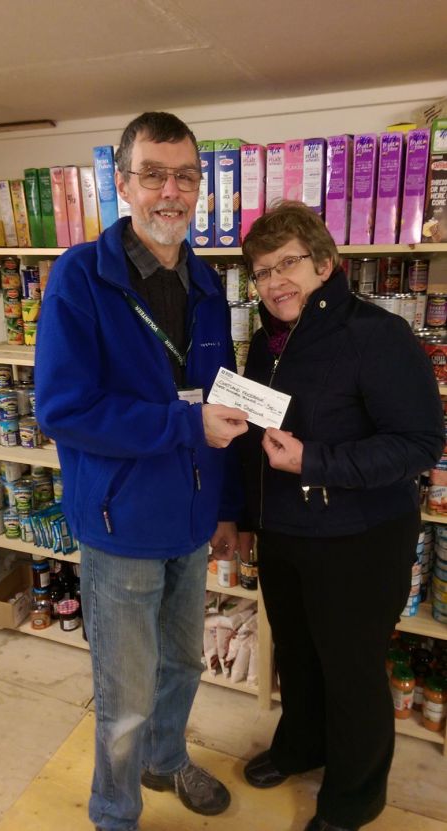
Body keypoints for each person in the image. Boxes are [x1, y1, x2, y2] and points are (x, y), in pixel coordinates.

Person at [35, 111, 249, 831]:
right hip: (118, 522)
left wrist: (224, 509)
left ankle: (165, 757)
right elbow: (63, 408)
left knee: (183, 663)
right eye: (153, 173)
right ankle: (115, 812)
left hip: (189, 521)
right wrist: (182, 423)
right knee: (123, 691)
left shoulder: (207, 283)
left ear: (200, 190)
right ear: (123, 183)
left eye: (185, 176)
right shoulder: (78, 278)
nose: (171, 191)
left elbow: (219, 399)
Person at [237, 200, 445, 831]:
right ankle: (302, 746)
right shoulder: (265, 343)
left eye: (289, 264)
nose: (274, 282)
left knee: (350, 668)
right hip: (285, 532)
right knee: (297, 654)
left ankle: (354, 796)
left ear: (326, 265)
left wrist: (316, 461)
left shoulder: (376, 335)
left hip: (358, 539)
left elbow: (418, 443)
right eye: (262, 270)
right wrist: (249, 518)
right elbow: (259, 440)